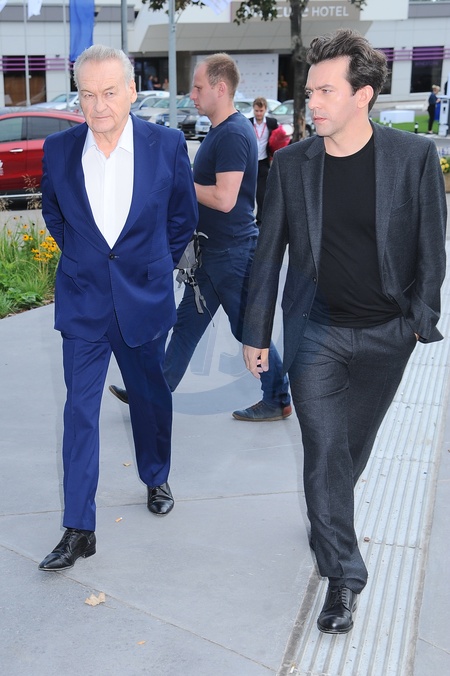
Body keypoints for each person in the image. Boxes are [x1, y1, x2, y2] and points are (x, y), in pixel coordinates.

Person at [241, 29, 446, 634]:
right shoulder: (292, 164)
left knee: (348, 455)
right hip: (317, 333)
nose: (313, 103)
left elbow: (432, 248)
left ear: (363, 95)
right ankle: (343, 579)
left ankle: (327, 514)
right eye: (310, 92)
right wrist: (256, 332)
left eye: (326, 91)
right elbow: (267, 254)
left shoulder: (412, 158)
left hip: (388, 334)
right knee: (325, 450)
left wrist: (419, 319)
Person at [38, 45, 198, 572]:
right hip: (83, 301)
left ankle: (156, 475)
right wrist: (86, 260)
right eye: (87, 94)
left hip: (143, 298)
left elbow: (182, 218)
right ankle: (78, 526)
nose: (98, 105)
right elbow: (55, 214)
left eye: (109, 92)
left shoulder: (166, 145)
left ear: (132, 90)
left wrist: (151, 265)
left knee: (149, 398)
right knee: (79, 412)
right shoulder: (59, 150)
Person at [110, 53, 291, 422]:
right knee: (186, 327)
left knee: (248, 330)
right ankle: (154, 392)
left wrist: (177, 182)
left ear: (220, 89)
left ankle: (278, 397)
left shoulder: (233, 134)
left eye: (198, 87)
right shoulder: (221, 131)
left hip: (232, 253)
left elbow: (225, 198)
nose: (192, 95)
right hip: (212, 253)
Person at [249, 97, 278, 226]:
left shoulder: (272, 123)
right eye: (256, 111)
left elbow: (278, 138)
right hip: (250, 162)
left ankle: (261, 219)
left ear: (265, 110)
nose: (259, 113)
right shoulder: (248, 123)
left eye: (261, 111)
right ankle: (248, 218)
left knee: (262, 193)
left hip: (263, 161)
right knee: (248, 191)